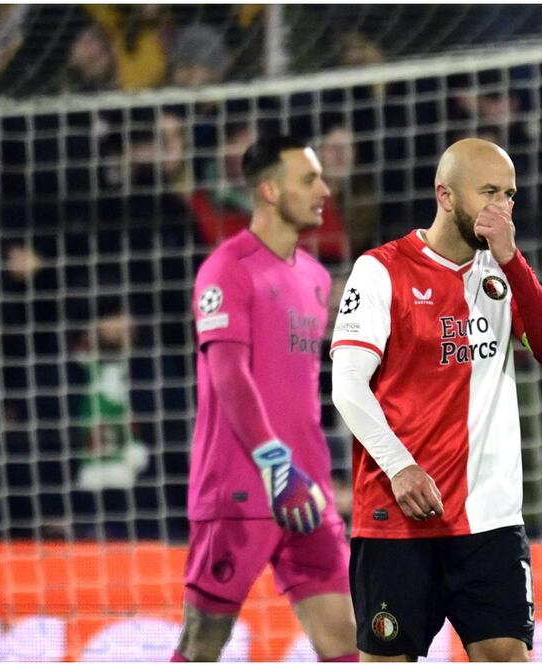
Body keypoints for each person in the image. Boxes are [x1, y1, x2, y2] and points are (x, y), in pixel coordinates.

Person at [330, 138, 542, 661]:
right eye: (489, 192)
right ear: (445, 195)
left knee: (506, 656)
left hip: (489, 518)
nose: (502, 207)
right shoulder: (381, 271)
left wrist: (514, 261)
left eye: (510, 195)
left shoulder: (504, 274)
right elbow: (347, 385)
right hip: (398, 515)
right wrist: (401, 467)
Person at [172, 136, 357, 661]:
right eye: (308, 179)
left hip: (307, 493)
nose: (323, 189)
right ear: (270, 190)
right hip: (242, 490)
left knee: (346, 637)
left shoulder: (317, 278)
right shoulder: (227, 269)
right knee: (204, 641)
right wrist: (274, 461)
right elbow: (229, 373)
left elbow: (296, 386)